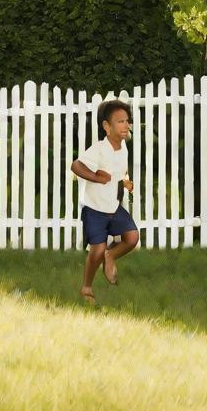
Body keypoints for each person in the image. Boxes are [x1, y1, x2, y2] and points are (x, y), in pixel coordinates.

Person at [70, 99, 138, 304]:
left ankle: (111, 256)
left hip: (113, 206)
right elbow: (76, 166)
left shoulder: (123, 148)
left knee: (132, 237)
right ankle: (87, 287)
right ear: (106, 127)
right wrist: (96, 178)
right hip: (95, 209)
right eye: (120, 122)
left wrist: (126, 182)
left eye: (127, 121)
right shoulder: (98, 149)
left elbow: (121, 171)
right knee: (96, 250)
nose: (126, 125)